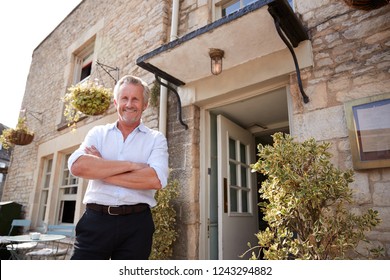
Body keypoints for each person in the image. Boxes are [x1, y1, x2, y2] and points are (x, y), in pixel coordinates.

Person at [67, 75, 169, 260]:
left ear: (145, 105)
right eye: (124, 98)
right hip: (95, 222)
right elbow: (78, 166)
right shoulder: (98, 133)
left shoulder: (156, 138)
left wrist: (102, 170)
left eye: (135, 99)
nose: (129, 104)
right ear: (116, 102)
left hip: (137, 226)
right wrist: (131, 166)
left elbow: (156, 179)